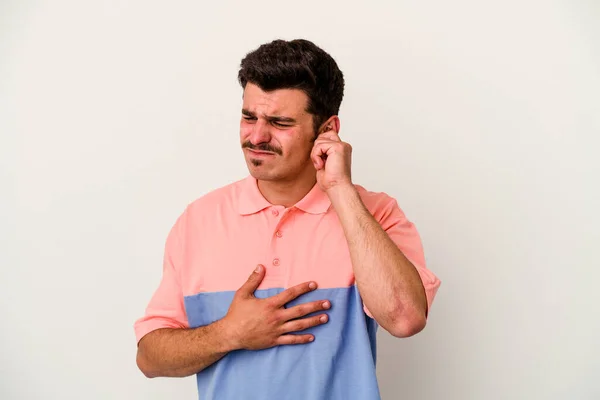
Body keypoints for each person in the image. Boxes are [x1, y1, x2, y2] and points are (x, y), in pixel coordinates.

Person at [134, 38, 441, 400]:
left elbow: (405, 319)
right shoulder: (199, 220)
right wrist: (229, 333)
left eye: (280, 122)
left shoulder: (374, 214)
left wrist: (340, 189)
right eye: (249, 117)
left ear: (327, 130)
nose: (257, 136)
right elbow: (150, 357)